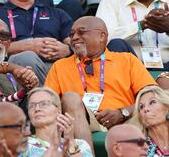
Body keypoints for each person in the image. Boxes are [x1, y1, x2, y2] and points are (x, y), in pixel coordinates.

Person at [44, 16, 157, 152]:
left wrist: (123, 112)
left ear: (102, 36)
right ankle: (86, 155)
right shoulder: (60, 66)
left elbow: (152, 97)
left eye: (81, 32)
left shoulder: (127, 60)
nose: (74, 38)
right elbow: (47, 102)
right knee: (70, 98)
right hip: (83, 120)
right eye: (72, 34)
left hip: (126, 119)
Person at [96, 0, 169, 70]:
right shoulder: (111, 0)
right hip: (130, 68)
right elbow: (101, 39)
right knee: (116, 44)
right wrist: (141, 25)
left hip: (167, 65)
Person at [26, 87, 93, 157]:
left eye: (44, 104)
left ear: (58, 111)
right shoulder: (22, 144)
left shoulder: (81, 145)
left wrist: (70, 141)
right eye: (32, 106)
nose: (37, 109)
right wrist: (54, 146)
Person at [133, 85, 169, 156]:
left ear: (167, 108)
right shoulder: (138, 148)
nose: (146, 109)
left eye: (152, 102)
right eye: (141, 107)